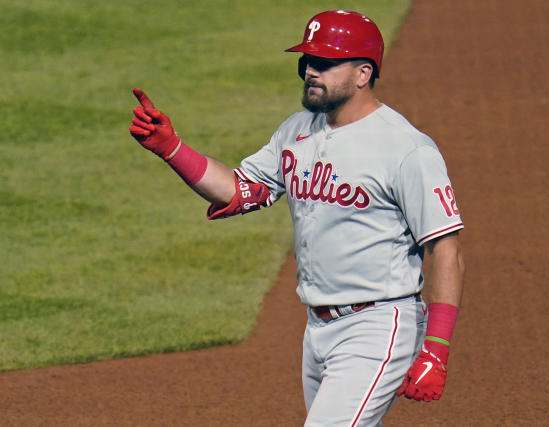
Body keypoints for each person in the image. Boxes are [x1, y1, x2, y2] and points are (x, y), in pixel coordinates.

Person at [129, 9, 465, 426]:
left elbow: (445, 249)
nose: (310, 71)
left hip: (378, 327)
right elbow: (239, 191)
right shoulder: (297, 131)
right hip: (318, 329)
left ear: (363, 73)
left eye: (324, 63)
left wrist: (436, 347)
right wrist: (172, 148)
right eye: (307, 61)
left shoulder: (405, 149)